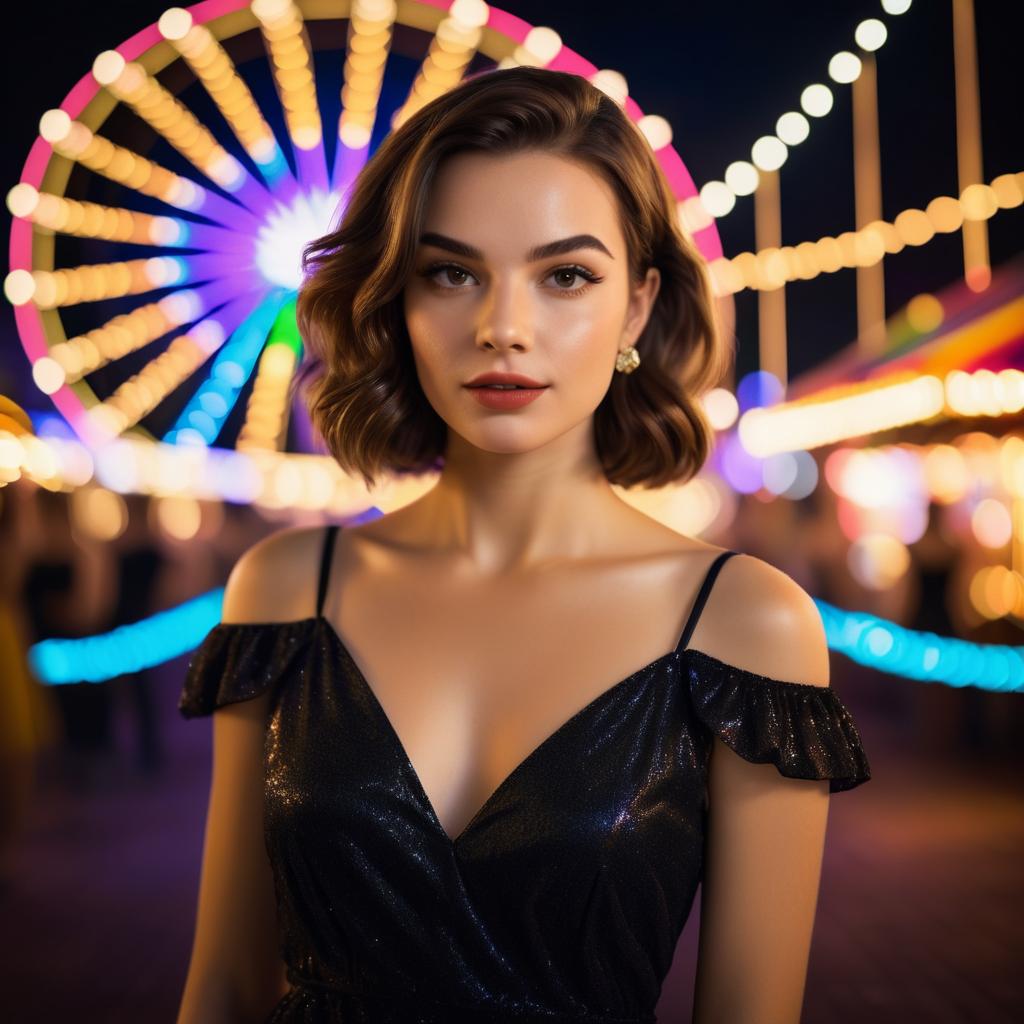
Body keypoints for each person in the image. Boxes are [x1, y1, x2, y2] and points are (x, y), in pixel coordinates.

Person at [176, 66, 871, 1024]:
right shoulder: (286, 594)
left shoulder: (746, 625)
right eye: (451, 272)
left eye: (568, 276)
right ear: (398, 301)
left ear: (635, 307)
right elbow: (220, 989)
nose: (503, 327)